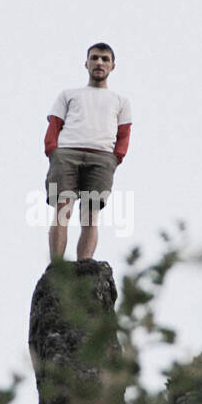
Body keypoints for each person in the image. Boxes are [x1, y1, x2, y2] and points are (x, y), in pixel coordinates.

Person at [43, 43, 132, 261]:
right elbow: (54, 124)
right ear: (86, 63)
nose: (99, 63)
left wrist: (116, 158)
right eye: (94, 58)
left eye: (104, 59)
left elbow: (124, 133)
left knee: (90, 215)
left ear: (112, 66)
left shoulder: (121, 101)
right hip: (67, 154)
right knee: (63, 210)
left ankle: (85, 266)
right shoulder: (69, 94)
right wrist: (53, 151)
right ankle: (58, 267)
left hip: (101, 158)